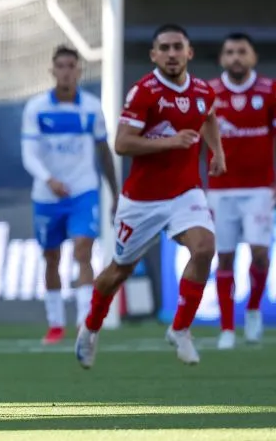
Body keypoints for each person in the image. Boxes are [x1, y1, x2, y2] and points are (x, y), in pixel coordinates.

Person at [76, 24, 224, 368]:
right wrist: (170, 142)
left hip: (186, 193)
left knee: (204, 249)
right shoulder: (144, 92)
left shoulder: (203, 90)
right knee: (118, 272)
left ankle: (181, 329)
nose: (171, 54)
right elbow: (122, 143)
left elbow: (209, 116)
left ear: (189, 52)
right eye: (164, 48)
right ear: (154, 55)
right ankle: (91, 327)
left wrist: (217, 152)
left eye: (177, 47)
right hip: (142, 201)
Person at [21, 45, 119, 345]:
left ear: (79, 70)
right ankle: (55, 324)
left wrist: (116, 192)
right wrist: (48, 179)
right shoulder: (36, 108)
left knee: (83, 251)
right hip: (47, 196)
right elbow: (28, 153)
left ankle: (84, 324)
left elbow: (104, 151)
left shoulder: (91, 107)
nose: (66, 71)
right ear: (53, 71)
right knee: (51, 258)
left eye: (71, 66)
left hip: (83, 191)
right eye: (60, 66)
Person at [206, 32, 275, 349]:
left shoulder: (269, 91)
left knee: (260, 254)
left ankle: (252, 312)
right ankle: (227, 328)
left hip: (260, 187)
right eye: (230, 52)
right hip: (220, 190)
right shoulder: (209, 93)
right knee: (224, 257)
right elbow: (195, 142)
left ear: (252, 57)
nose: (236, 57)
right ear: (222, 59)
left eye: (241, 52)